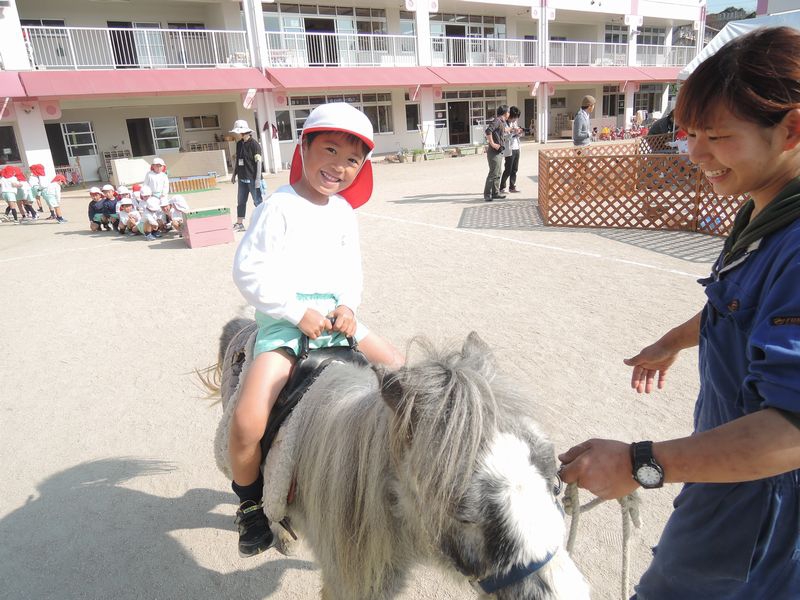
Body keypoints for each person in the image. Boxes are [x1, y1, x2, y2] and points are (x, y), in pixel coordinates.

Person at [558, 26, 800, 599]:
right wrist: (675, 339)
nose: (695, 153)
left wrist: (642, 463)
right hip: (727, 481)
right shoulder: (764, 213)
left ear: (792, 127)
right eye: (692, 134)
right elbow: (740, 308)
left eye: (717, 136)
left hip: (760, 510)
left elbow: (793, 429)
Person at [230, 102, 404, 558]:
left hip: (336, 321)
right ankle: (249, 504)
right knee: (248, 417)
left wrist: (348, 305)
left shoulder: (344, 212)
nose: (339, 167)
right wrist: (293, 310)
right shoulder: (277, 207)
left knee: (405, 373)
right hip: (287, 328)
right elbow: (248, 270)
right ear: (302, 147)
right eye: (329, 149)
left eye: (352, 160)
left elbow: (351, 272)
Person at [230, 119, 263, 232]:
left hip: (253, 179)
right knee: (241, 202)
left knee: (257, 201)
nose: (239, 134)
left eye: (240, 132)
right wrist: (234, 174)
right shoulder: (239, 144)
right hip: (242, 179)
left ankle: (263, 222)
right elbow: (238, 160)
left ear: (244, 132)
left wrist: (258, 180)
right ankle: (239, 224)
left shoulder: (255, 145)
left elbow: (259, 163)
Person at [483, 105, 510, 202]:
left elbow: (501, 130)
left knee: (498, 172)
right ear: (505, 113)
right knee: (493, 173)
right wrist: (493, 144)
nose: (509, 114)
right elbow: (488, 131)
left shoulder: (501, 122)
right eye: (508, 112)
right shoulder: (497, 121)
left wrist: (513, 129)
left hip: (499, 151)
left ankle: (495, 193)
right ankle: (487, 194)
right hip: (494, 152)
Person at [499, 106, 523, 194]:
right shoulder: (503, 123)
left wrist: (518, 133)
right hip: (509, 148)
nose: (515, 119)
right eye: (514, 117)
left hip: (516, 147)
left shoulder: (514, 123)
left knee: (515, 169)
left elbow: (517, 135)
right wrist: (513, 133)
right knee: (508, 169)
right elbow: (503, 137)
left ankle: (512, 186)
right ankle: (502, 187)